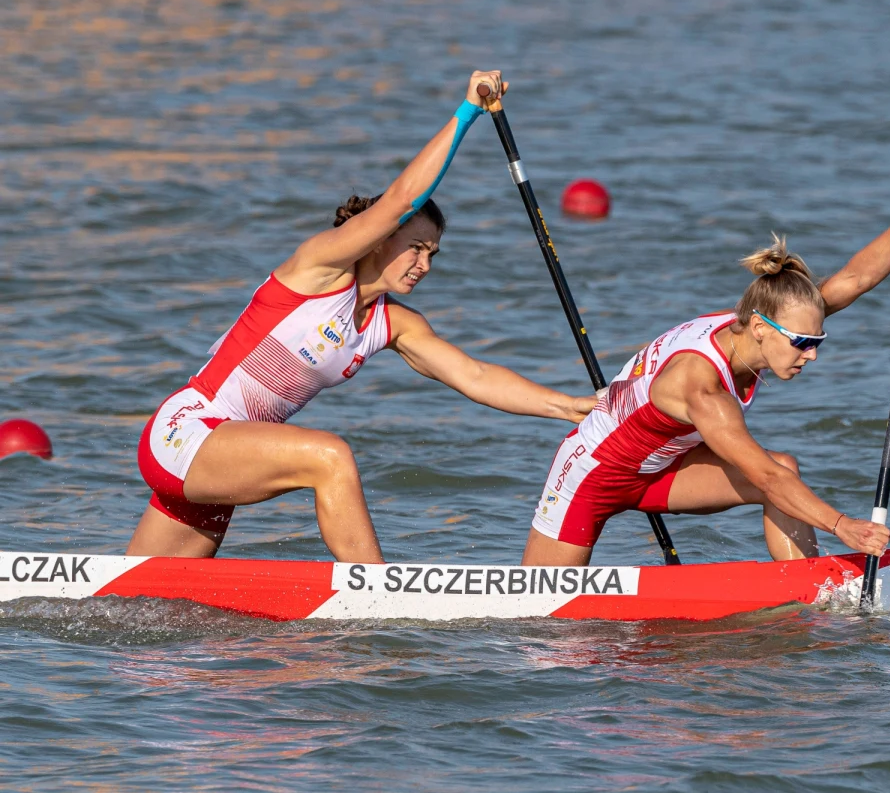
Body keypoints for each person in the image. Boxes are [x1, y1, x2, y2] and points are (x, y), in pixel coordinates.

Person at [129, 70, 596, 563]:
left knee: (143, 610)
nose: (424, 264)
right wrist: (467, 112)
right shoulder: (319, 268)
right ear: (378, 237)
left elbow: (475, 376)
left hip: (222, 455)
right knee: (330, 458)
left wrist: (568, 407)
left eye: (433, 254)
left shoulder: (392, 325)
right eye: (415, 247)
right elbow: (400, 200)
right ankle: (378, 597)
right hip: (189, 431)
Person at [523, 177, 890, 566]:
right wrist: (843, 526)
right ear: (758, 328)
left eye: (818, 341)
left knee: (785, 466)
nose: (812, 354)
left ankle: (805, 587)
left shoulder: (770, 319)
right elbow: (764, 478)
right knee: (543, 627)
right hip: (591, 476)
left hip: (663, 471)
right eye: (803, 343)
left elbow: (855, 279)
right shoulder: (703, 387)